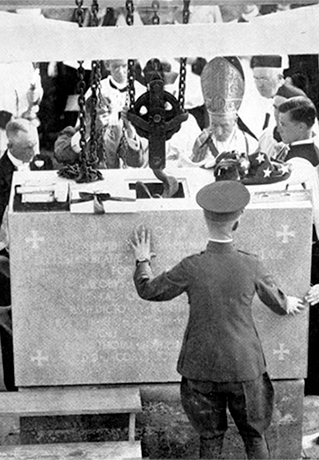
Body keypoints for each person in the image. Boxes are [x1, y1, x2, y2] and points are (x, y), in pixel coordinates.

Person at [130, 180, 305, 459]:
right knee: (254, 436)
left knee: (210, 439)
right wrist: (288, 303)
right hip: (244, 367)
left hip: (201, 368)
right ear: (238, 221)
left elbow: (149, 290)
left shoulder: (191, 266)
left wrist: (142, 261)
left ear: (204, 217)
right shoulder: (252, 264)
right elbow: (277, 302)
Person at [190, 56, 258, 169]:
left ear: (235, 120)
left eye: (224, 125)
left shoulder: (250, 144)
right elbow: (192, 168)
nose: (219, 132)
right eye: (214, 125)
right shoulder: (201, 143)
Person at [54, 94, 146, 169]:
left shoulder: (116, 133)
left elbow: (136, 162)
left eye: (105, 115)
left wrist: (130, 130)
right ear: (86, 117)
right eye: (97, 116)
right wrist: (89, 129)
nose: (101, 121)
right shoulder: (71, 132)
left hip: (110, 185)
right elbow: (60, 155)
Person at [0, 118, 39, 227]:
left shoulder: (43, 163)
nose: (33, 152)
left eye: (34, 145)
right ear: (10, 146)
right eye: (28, 148)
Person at [258, 84, 306, 160]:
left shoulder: (303, 143)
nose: (277, 113)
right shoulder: (266, 135)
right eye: (275, 107)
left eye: (283, 109)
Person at [277, 96, 319, 167]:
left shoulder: (299, 162)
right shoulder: (314, 150)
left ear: (301, 127)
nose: (279, 130)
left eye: (283, 125)